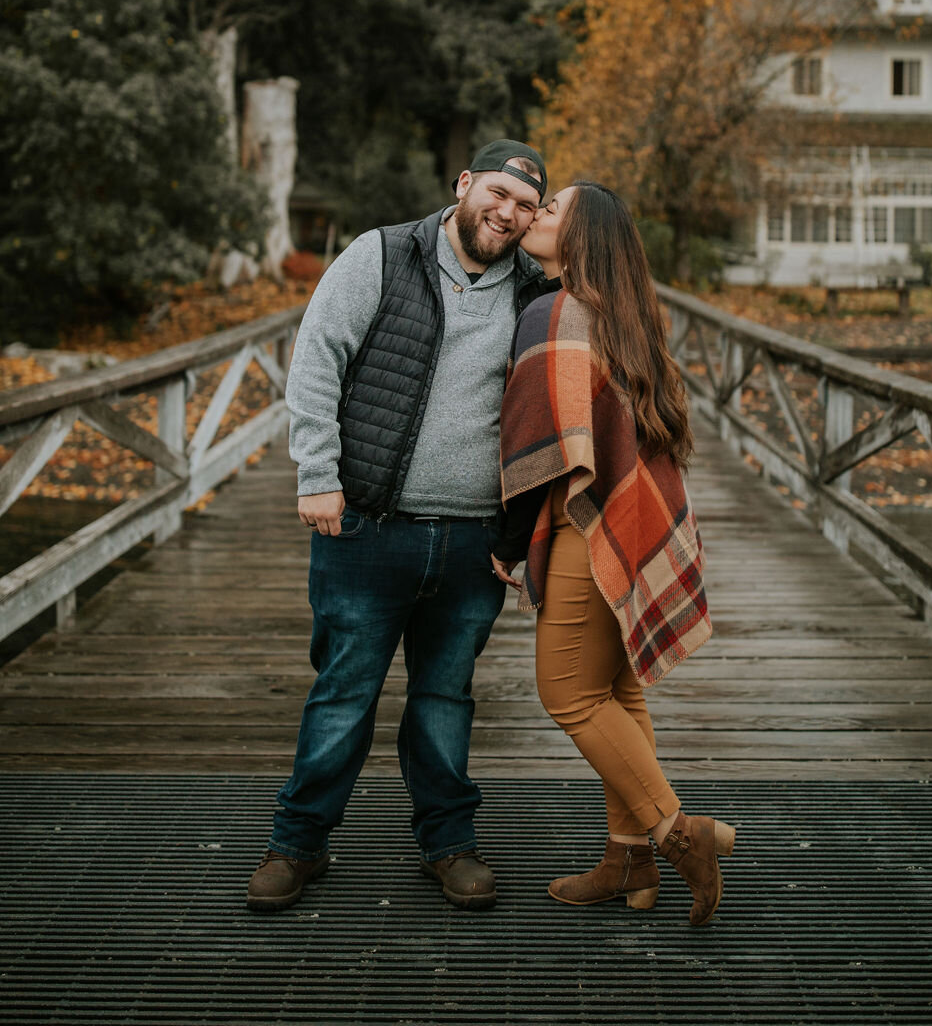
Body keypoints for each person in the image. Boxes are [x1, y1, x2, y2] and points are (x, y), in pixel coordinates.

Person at [247, 140, 549, 915]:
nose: (507, 214)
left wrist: (527, 537)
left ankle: (448, 845)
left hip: (475, 541)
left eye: (525, 206)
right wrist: (318, 475)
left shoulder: (534, 291)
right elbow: (316, 360)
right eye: (497, 195)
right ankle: (298, 844)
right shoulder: (379, 256)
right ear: (464, 185)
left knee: (446, 697)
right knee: (344, 691)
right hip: (368, 528)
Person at [491, 181, 735, 927]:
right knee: (619, 695)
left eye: (551, 210)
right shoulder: (625, 315)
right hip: (629, 524)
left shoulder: (554, 312)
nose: (535, 216)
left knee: (568, 693)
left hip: (584, 528)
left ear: (583, 238)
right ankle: (627, 861)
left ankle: (677, 836)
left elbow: (542, 447)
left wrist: (504, 544)